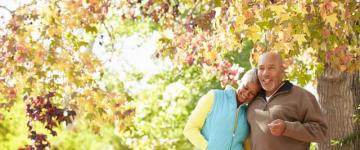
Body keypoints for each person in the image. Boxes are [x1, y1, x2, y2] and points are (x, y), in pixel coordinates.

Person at [247, 52, 328, 150]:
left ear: (282, 71)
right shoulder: (253, 98)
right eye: (261, 68)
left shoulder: (301, 96)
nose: (265, 73)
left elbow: (321, 131)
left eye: (271, 68)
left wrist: (287, 128)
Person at [183, 68, 261, 150]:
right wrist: (207, 147)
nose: (246, 94)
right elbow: (190, 129)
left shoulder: (248, 112)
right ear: (241, 81)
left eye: (252, 93)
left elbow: (247, 143)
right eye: (245, 87)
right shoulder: (214, 97)